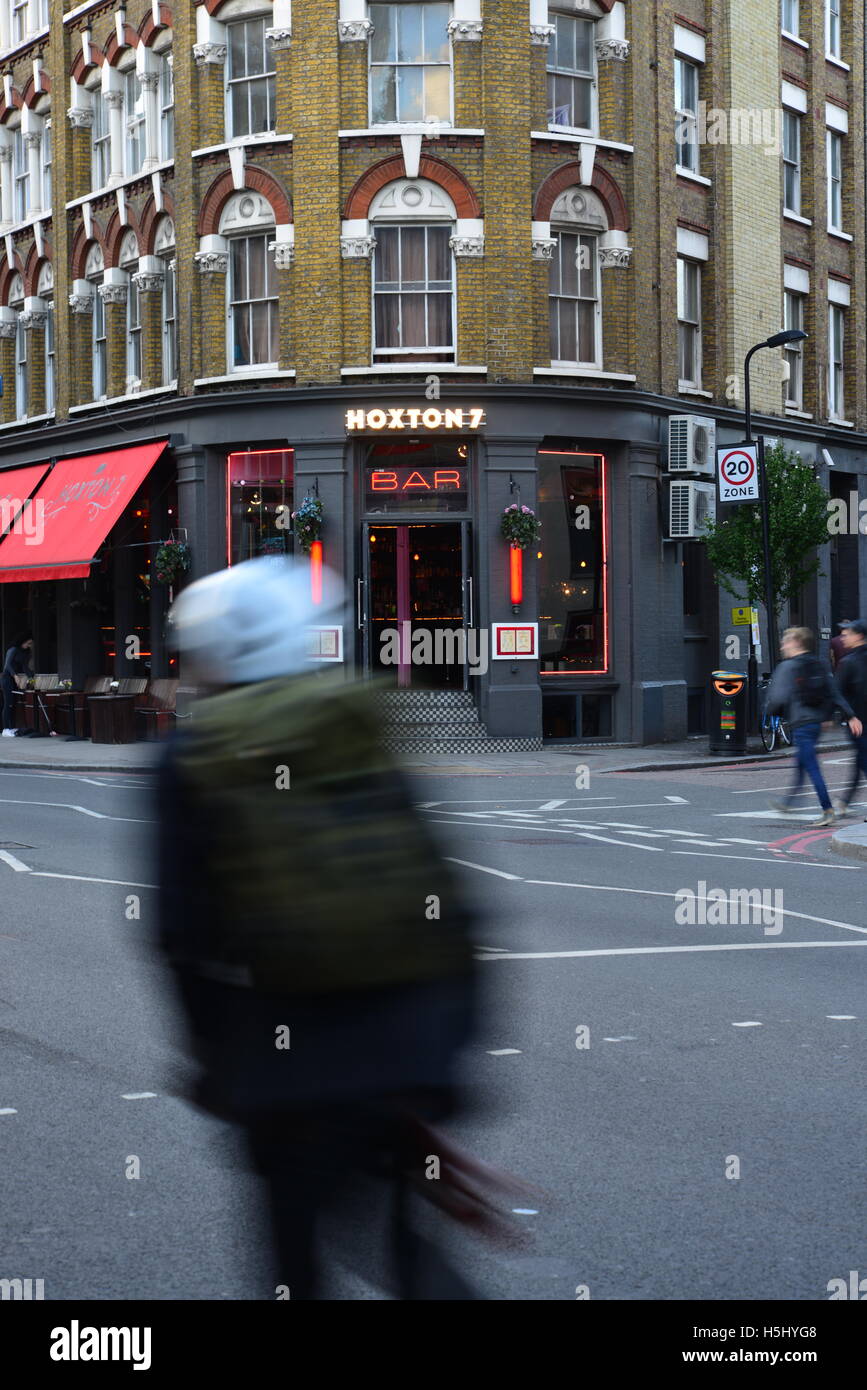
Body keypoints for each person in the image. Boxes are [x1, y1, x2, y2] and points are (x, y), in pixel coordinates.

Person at [154, 556, 493, 1300]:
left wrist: (213, 1061)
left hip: (286, 1071)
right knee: (405, 1250)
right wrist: (445, 1052)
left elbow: (180, 934)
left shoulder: (195, 756)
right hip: (405, 1046)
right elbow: (447, 897)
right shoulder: (355, 725)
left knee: (295, 1265)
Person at [767, 626, 862, 826]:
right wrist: (850, 716)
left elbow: (777, 698)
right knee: (802, 761)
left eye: (786, 641)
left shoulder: (788, 667)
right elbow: (834, 693)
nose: (783, 645)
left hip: (801, 723)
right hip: (816, 723)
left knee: (811, 766)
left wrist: (772, 714)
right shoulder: (819, 664)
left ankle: (827, 809)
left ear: (797, 643)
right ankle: (789, 800)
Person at [833, 618, 867, 817]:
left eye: (847, 634)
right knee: (861, 761)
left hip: (858, 723)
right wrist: (851, 716)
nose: (843, 638)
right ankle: (845, 802)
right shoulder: (847, 661)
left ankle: (844, 802)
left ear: (859, 636)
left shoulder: (849, 662)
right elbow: (837, 694)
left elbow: (836, 693)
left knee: (862, 762)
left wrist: (851, 716)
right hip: (858, 723)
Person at [1, 632, 33, 736]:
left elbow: (24, 666)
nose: (29, 645)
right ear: (22, 641)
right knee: (8, 703)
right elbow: (7, 665)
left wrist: (31, 677)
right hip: (7, 678)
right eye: (28, 643)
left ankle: (11, 727)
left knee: (14, 704)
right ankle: (5, 729)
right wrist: (15, 676)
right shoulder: (13, 649)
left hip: (16, 679)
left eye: (30, 644)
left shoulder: (26, 652)